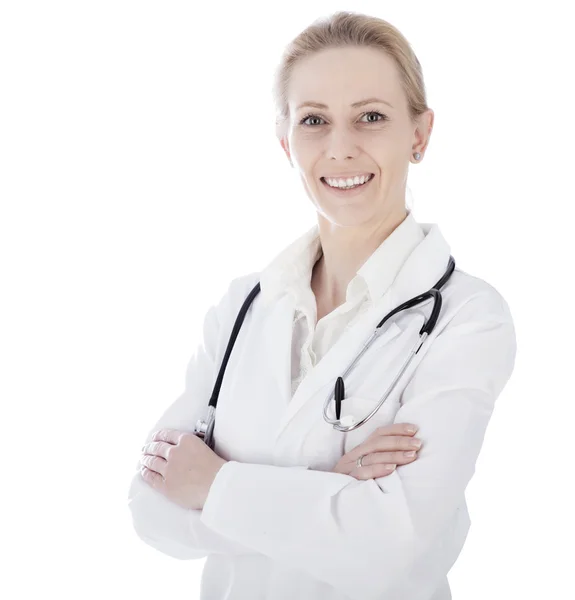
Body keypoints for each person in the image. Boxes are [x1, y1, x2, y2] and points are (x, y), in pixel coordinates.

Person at [127, 10, 517, 600]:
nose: (341, 148)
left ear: (419, 135)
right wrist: (328, 483)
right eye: (314, 120)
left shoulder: (467, 318)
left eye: (371, 117)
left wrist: (215, 485)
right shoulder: (242, 307)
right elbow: (149, 505)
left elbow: (386, 544)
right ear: (286, 141)